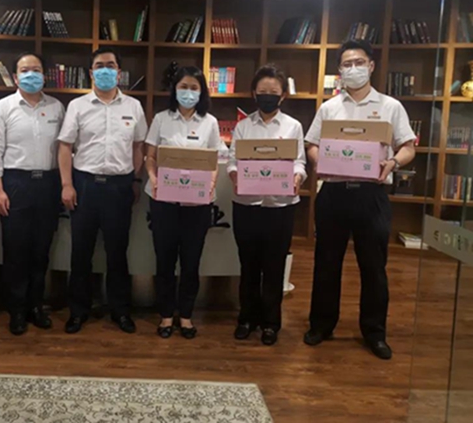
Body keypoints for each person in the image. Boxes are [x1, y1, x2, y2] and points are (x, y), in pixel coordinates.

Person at [303, 39, 416, 360]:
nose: (353, 69)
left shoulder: (391, 106)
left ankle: (374, 332)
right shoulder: (329, 107)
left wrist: (393, 162)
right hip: (334, 193)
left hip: (371, 195)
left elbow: (408, 146)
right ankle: (322, 325)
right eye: (347, 64)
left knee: (374, 267)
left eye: (359, 62)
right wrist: (320, 160)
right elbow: (311, 144)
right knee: (326, 262)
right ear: (340, 70)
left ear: (371, 66)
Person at [58, 48, 148, 334]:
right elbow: (65, 147)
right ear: (91, 73)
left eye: (111, 65)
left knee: (117, 253)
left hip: (119, 187)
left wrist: (135, 180)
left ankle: (120, 311)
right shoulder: (78, 106)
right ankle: (78, 311)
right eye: (100, 66)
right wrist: (67, 184)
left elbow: (138, 146)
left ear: (119, 72)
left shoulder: (133, 106)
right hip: (84, 185)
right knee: (81, 252)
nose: (105, 70)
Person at [227, 65, 307, 346]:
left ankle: (271, 323)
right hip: (246, 204)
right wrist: (235, 176)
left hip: (280, 206)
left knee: (274, 267)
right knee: (248, 265)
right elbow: (232, 161)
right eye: (263, 91)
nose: (268, 96)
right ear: (254, 94)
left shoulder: (293, 126)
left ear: (283, 95)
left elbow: (299, 162)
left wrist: (297, 177)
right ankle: (246, 319)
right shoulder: (243, 126)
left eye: (273, 92)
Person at [0, 53, 65, 335]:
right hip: (15, 182)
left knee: (41, 250)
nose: (31, 75)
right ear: (15, 76)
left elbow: (64, 148)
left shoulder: (57, 107)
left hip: (49, 183)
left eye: (36, 70)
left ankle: (35, 306)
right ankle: (17, 310)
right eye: (24, 70)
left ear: (45, 75)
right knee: (16, 250)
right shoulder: (2, 108)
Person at [145, 66, 222, 339]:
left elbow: (214, 160)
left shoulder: (210, 122)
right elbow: (150, 156)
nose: (188, 93)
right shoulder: (161, 119)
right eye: (183, 87)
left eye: (194, 88)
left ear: (202, 92)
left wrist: (211, 182)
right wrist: (153, 178)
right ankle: (166, 315)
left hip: (197, 204)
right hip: (164, 201)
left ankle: (186, 316)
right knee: (164, 260)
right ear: (174, 90)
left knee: (191, 261)